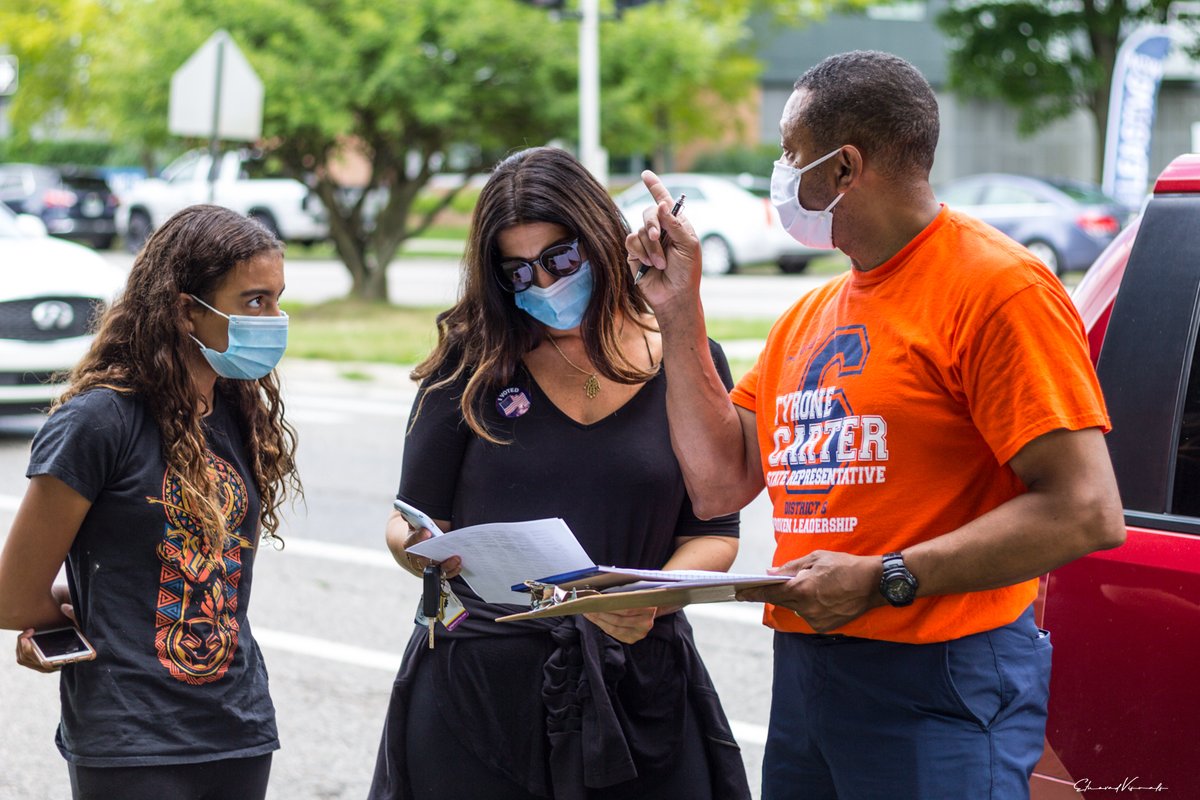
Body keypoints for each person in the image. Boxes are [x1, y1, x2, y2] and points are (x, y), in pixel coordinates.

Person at [627, 50, 1126, 799]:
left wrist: (886, 577)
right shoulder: (808, 315)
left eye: (790, 154)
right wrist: (677, 311)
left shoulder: (998, 288)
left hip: (940, 673)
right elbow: (719, 483)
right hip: (810, 670)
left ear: (844, 167)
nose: (780, 175)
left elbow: (1086, 509)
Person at [367, 146, 751, 800]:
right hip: (480, 693)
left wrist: (646, 597)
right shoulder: (471, 362)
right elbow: (408, 523)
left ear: (602, 239)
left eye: (561, 260)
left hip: (638, 685)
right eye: (518, 272)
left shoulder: (688, 356)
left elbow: (714, 531)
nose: (543, 285)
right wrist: (426, 551)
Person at [0, 204, 301, 800]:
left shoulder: (238, 411)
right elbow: (13, 596)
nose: (274, 320)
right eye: (253, 302)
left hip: (238, 729)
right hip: (131, 739)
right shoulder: (98, 421)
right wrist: (86, 613)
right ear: (186, 310)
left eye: (277, 300)